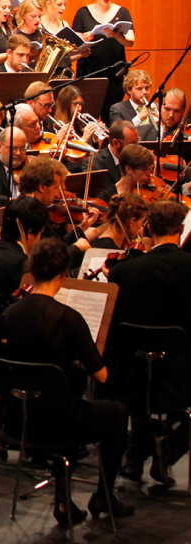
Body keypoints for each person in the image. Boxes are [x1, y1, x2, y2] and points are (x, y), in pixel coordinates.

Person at [1, 238, 132, 526]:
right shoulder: (69, 318)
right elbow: (102, 376)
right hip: (58, 422)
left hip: (17, 420)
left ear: (32, 271)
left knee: (61, 390)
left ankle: (63, 501)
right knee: (117, 412)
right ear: (64, 274)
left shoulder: (11, 313)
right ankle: (104, 497)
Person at [105, 200, 191, 483]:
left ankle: (134, 459)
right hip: (180, 378)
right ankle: (167, 449)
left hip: (130, 375)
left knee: (143, 370)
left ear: (149, 228)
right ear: (180, 229)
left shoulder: (123, 271)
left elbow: (114, 327)